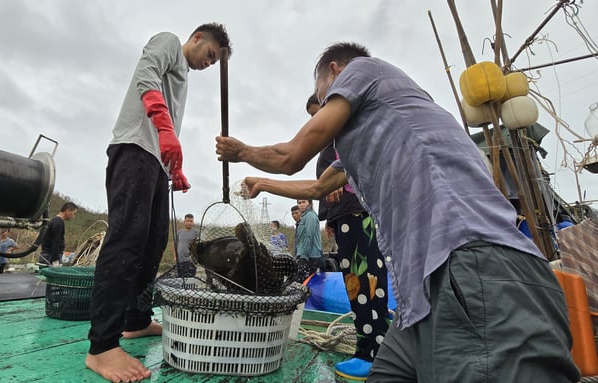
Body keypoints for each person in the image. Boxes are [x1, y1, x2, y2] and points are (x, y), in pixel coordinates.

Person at [216, 42, 579, 382]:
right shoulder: (374, 130)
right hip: (418, 298)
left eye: (325, 98)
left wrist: (243, 151)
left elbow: (292, 155)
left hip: (474, 266)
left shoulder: (363, 69)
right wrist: (262, 182)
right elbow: (315, 188)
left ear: (335, 70)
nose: (325, 108)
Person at [86, 23, 232, 383]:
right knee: (127, 240)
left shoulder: (183, 79)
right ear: (197, 38)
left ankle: (135, 320)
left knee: (152, 246)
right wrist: (165, 130)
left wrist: (174, 168)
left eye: (214, 63)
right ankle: (102, 346)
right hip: (133, 148)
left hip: (154, 163)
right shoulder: (168, 43)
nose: (207, 63)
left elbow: (168, 134)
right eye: (210, 55)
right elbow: (145, 73)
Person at [307, 94, 389, 381]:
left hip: (359, 217)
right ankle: (379, 345)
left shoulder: (347, 140)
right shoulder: (331, 145)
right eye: (313, 116)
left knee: (362, 283)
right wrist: (330, 216)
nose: (318, 120)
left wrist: (334, 184)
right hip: (346, 220)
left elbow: (335, 180)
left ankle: (371, 353)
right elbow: (326, 189)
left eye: (321, 112)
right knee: (364, 281)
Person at [295, 199, 324, 272]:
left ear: (310, 203)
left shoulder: (310, 216)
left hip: (311, 256)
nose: (301, 205)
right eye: (299, 203)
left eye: (304, 202)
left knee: (308, 282)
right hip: (304, 255)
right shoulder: (304, 217)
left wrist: (304, 256)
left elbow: (309, 236)